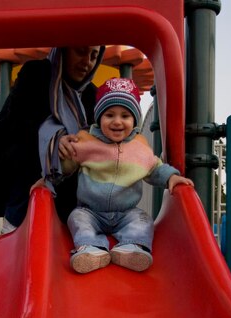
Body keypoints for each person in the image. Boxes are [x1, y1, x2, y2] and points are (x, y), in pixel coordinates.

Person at [57, 77, 194, 273]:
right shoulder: (86, 141)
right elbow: (66, 165)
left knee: (144, 221)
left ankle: (132, 247)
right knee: (76, 218)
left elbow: (154, 168)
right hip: (90, 210)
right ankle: (91, 248)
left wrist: (171, 177)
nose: (117, 122)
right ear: (99, 117)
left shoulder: (139, 147)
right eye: (109, 115)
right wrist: (49, 178)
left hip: (126, 212)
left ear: (134, 120)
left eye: (125, 116)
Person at [0, 46, 104, 233]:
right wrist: (55, 141)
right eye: (81, 51)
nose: (87, 62)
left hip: (71, 199)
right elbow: (18, 124)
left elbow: (97, 141)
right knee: (21, 248)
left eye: (94, 56)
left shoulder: (91, 95)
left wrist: (81, 144)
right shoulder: (36, 74)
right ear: (64, 48)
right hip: (26, 189)